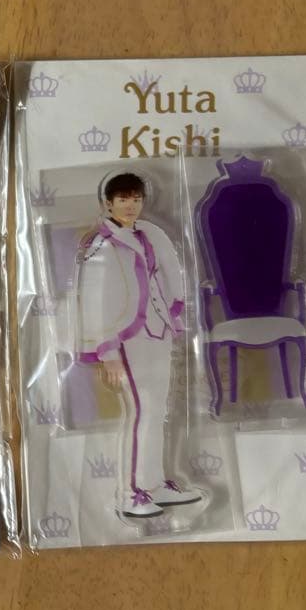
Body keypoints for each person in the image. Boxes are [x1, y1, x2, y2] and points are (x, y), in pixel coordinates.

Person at [76, 172, 200, 518]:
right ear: (108, 203)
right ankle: (130, 493)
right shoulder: (101, 245)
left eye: (136, 199)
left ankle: (153, 483)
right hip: (126, 337)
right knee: (140, 412)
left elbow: (166, 275)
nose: (130, 206)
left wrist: (174, 312)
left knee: (156, 411)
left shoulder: (150, 235)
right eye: (123, 199)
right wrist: (107, 352)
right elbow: (95, 301)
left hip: (156, 332)